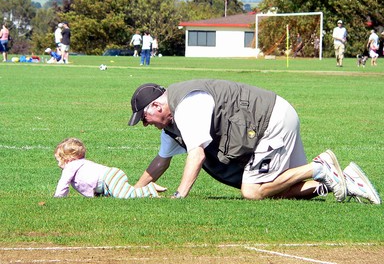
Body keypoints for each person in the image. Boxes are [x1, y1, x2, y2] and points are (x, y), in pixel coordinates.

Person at [128, 80, 381, 205]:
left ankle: (319, 167)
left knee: (252, 191)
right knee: (279, 189)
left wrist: (179, 196)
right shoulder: (173, 122)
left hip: (270, 121)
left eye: (145, 117)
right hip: (271, 118)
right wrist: (134, 190)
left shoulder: (187, 107)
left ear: (158, 105)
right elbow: (161, 160)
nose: (145, 124)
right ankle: (344, 181)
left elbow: (197, 155)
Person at [54, 137, 166, 198]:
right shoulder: (79, 164)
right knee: (124, 192)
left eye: (59, 160)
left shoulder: (71, 166)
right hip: (110, 177)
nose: (58, 164)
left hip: (109, 177)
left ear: (67, 159)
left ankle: (150, 189)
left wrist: (58, 197)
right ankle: (145, 192)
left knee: (124, 196)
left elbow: (63, 183)